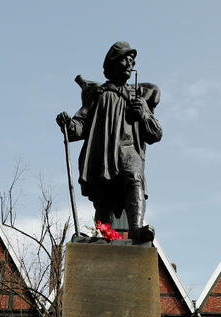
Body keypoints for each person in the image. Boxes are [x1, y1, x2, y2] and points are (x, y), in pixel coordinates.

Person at [56, 41, 162, 244]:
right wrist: (68, 124)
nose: (130, 64)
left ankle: (136, 229)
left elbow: (156, 133)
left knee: (134, 179)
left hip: (129, 150)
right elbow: (80, 124)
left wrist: (142, 115)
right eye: (125, 59)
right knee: (103, 200)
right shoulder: (98, 94)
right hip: (103, 154)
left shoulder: (137, 97)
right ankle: (106, 235)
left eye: (132, 61)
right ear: (112, 64)